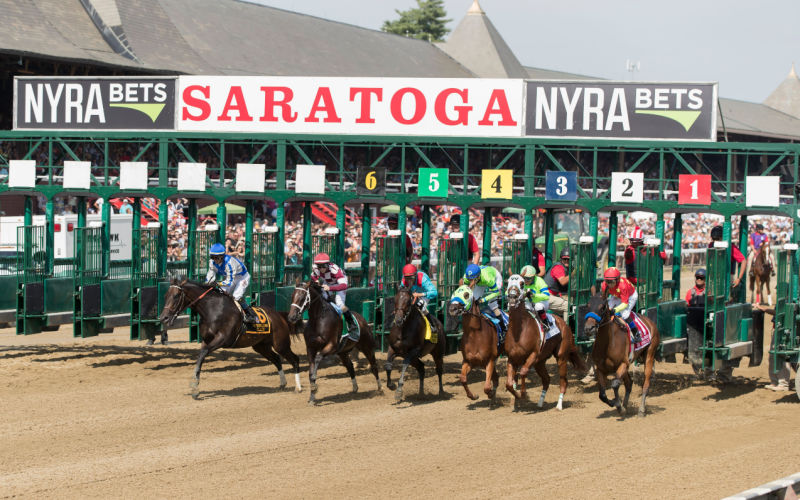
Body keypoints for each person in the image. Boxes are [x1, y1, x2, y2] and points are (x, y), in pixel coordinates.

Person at [205, 243, 257, 323]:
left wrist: (217, 284)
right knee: (220, 293)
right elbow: (210, 276)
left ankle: (250, 313)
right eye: (212, 257)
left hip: (242, 278)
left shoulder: (230, 263)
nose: (214, 259)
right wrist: (207, 284)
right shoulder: (212, 262)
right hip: (232, 278)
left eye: (216, 257)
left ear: (222, 256)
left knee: (236, 297)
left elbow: (228, 282)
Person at [311, 252, 358, 336]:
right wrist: (316, 281)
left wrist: (330, 288)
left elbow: (344, 286)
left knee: (339, 303)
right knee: (323, 299)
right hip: (328, 282)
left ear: (328, 264)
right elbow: (313, 277)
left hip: (339, 283)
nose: (321, 269)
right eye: (319, 266)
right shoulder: (315, 268)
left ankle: (351, 323)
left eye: (323, 266)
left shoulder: (335, 270)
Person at [752, 303, 793, 391]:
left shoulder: (786, 296)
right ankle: (774, 382)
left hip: (782, 329)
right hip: (778, 328)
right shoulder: (784, 296)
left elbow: (778, 312)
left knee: (780, 355)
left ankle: (783, 384)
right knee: (773, 356)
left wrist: (763, 308)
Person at [461, 263, 506, 336]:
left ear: (478, 277)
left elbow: (496, 292)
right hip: (480, 281)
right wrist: (470, 286)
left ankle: (503, 329)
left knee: (492, 305)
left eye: (472, 279)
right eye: (469, 279)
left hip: (494, 277)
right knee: (472, 300)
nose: (470, 280)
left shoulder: (487, 278)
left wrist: (483, 300)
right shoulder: (466, 277)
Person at [600, 267, 641, 344]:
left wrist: (615, 310)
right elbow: (604, 297)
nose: (609, 284)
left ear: (617, 280)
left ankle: (636, 333)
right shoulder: (604, 285)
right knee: (606, 310)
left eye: (611, 282)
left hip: (630, 296)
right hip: (617, 295)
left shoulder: (623, 286)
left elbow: (625, 304)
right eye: (607, 281)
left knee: (624, 314)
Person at [400, 263, 441, 339]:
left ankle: (432, 325)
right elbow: (401, 291)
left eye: (411, 278)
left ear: (415, 276)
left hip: (424, 294)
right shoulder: (404, 280)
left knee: (420, 305)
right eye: (407, 278)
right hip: (412, 293)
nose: (408, 281)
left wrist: (420, 294)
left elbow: (434, 292)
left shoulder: (423, 279)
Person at [709, 225, 746, 296]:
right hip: (714, 276)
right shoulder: (711, 245)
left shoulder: (731, 247)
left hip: (728, 276)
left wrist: (739, 278)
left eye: (718, 239)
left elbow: (743, 261)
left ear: (722, 237)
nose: (715, 241)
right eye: (714, 239)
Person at [519, 265, 555, 331]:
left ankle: (545, 323)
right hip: (529, 302)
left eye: (528, 278)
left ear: (533, 277)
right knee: (523, 307)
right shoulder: (520, 282)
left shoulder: (539, 281)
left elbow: (546, 295)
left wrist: (534, 295)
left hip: (542, 302)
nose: (526, 280)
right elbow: (507, 292)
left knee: (538, 306)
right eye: (524, 278)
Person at [544, 247, 571, 318]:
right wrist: (574, 274)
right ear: (561, 259)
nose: (566, 261)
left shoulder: (568, 268)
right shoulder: (558, 267)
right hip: (546, 296)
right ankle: (566, 327)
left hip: (552, 295)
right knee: (567, 306)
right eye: (564, 259)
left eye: (568, 259)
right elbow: (563, 282)